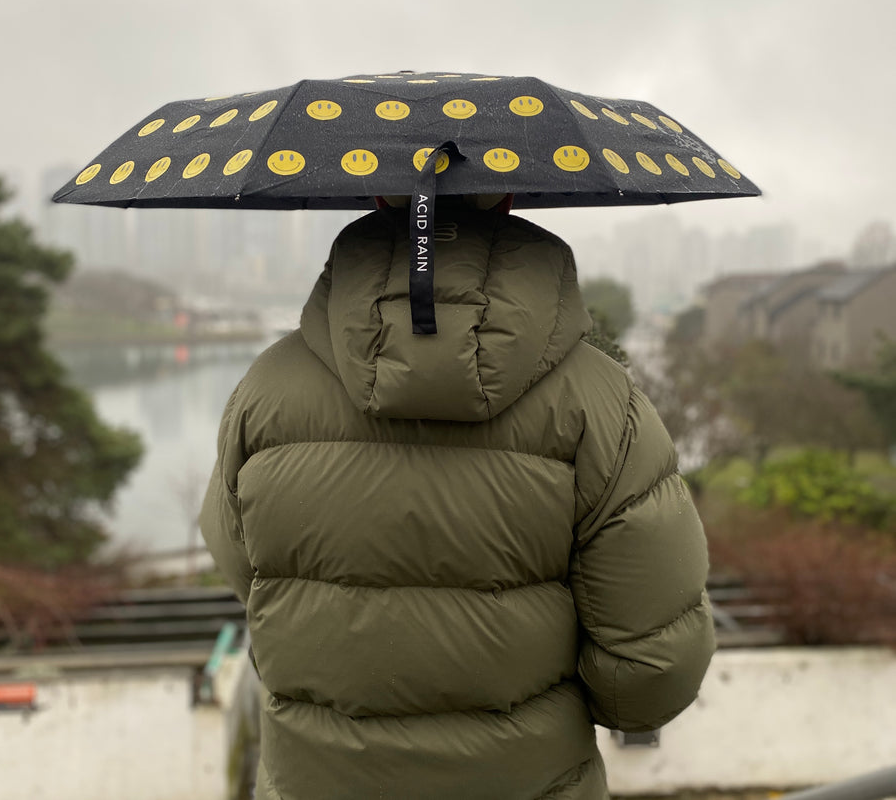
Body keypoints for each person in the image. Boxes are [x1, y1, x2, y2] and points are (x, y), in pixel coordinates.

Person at [200, 193, 716, 800]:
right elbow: (651, 671)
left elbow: (247, 568)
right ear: (510, 193)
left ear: (374, 192)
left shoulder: (265, 391)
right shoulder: (603, 404)